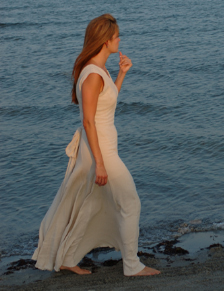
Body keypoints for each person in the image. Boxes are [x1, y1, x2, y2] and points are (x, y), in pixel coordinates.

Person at [32, 14, 160, 277]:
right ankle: (132, 266)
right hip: (100, 153)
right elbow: (89, 122)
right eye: (116, 36)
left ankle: (68, 258)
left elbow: (105, 105)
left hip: (103, 149)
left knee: (91, 204)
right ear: (105, 41)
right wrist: (100, 163)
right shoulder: (91, 74)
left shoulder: (100, 70)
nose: (119, 39)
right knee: (130, 202)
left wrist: (122, 74)